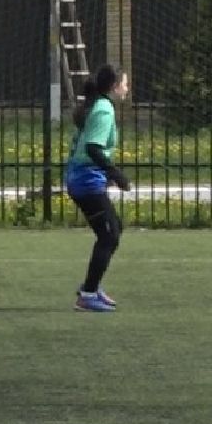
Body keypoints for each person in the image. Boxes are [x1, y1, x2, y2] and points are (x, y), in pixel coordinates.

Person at [63, 65, 132, 313]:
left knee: (112, 231)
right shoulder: (104, 109)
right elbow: (93, 148)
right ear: (114, 87)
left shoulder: (98, 104)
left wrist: (109, 173)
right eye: (124, 83)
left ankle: (91, 287)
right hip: (85, 181)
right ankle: (88, 294)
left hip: (83, 178)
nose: (127, 88)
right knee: (110, 234)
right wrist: (117, 174)